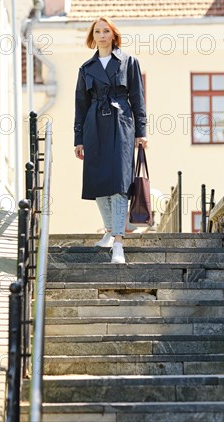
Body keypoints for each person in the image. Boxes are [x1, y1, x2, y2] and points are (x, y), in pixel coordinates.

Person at [74, 16, 148, 263]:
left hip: (121, 124)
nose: (102, 35)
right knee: (98, 181)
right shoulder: (85, 69)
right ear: (92, 37)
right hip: (94, 126)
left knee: (118, 183)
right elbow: (80, 105)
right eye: (98, 31)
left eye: (106, 31)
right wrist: (78, 138)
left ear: (113, 35)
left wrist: (142, 132)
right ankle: (108, 230)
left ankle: (118, 242)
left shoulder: (129, 62)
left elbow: (138, 98)